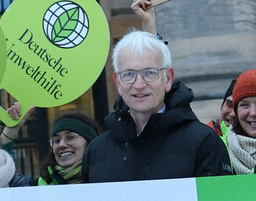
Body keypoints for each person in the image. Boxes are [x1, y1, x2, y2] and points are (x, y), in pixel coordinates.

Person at [84, 31, 230, 182]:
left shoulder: (204, 143)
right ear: (118, 83)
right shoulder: (96, 152)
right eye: (129, 74)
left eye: (149, 73)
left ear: (168, 79)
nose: (139, 84)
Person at [38, 112, 100, 185]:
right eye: (57, 140)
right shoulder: (42, 184)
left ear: (90, 143)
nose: (61, 145)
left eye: (70, 137)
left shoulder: (108, 177)